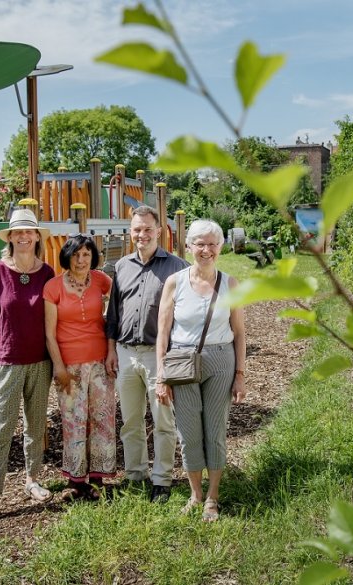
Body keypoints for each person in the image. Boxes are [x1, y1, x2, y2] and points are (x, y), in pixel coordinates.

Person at [156, 219, 246, 521]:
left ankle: (212, 497)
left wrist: (240, 375)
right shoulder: (175, 282)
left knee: (215, 430)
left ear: (219, 248)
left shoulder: (230, 283)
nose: (206, 249)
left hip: (221, 361)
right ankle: (195, 494)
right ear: (188, 246)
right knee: (189, 431)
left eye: (212, 244)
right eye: (200, 243)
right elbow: (163, 332)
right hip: (182, 361)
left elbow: (240, 332)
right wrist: (161, 378)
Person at [105, 205, 189, 503]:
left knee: (163, 420)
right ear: (131, 232)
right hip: (126, 353)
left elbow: (186, 315)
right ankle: (135, 475)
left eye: (147, 229)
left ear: (159, 231)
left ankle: (162, 479)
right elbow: (113, 313)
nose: (142, 234)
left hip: (159, 355)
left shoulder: (178, 267)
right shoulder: (121, 266)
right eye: (136, 229)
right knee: (130, 421)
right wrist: (111, 349)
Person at [0, 208, 55, 526]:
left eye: (29, 232)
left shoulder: (47, 273)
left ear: (37, 237)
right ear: (9, 238)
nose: (23, 237)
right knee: (1, 432)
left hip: (40, 362)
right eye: (17, 233)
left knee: (36, 428)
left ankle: (32, 480)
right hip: (7, 362)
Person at [44, 234, 116, 501]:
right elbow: (50, 334)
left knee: (103, 418)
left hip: (100, 361)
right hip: (70, 365)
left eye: (86, 254)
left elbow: (120, 305)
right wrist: (59, 367)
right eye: (76, 255)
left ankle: (98, 477)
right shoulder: (53, 287)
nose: (81, 260)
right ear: (67, 257)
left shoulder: (101, 280)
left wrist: (113, 350)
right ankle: (77, 480)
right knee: (74, 420)